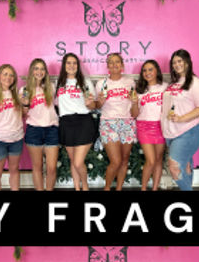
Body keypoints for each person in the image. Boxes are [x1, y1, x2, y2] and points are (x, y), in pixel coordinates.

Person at [163, 49, 199, 191]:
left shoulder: (197, 83)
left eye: (180, 61)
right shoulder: (174, 84)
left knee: (174, 167)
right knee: (186, 166)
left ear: (187, 62)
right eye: (174, 62)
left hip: (188, 131)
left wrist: (181, 118)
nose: (177, 64)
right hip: (171, 132)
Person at [54, 53, 98, 191]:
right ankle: (77, 188)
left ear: (78, 66)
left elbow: (93, 106)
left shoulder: (85, 82)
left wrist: (90, 103)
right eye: (68, 63)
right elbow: (54, 104)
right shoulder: (58, 83)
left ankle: (85, 186)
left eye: (74, 63)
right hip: (66, 123)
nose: (71, 66)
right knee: (73, 161)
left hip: (83, 122)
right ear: (64, 65)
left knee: (78, 162)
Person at [96, 53, 138, 191]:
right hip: (108, 122)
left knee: (124, 159)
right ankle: (107, 188)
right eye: (111, 62)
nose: (114, 65)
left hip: (127, 122)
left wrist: (134, 102)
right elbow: (97, 106)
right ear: (107, 66)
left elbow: (133, 107)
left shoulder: (130, 82)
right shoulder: (101, 83)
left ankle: (119, 188)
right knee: (116, 161)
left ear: (122, 65)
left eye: (117, 62)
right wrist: (100, 102)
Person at [21, 58, 59, 191]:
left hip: (52, 129)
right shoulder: (25, 89)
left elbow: (59, 105)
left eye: (42, 69)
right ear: (32, 71)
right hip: (34, 130)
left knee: (51, 168)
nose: (39, 71)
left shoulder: (51, 87)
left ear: (45, 72)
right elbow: (23, 114)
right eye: (36, 68)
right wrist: (25, 104)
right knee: (37, 167)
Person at [133, 59, 168, 191]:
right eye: (144, 70)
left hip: (160, 126)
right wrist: (134, 103)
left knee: (158, 160)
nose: (147, 73)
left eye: (150, 69)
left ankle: (154, 188)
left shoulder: (165, 87)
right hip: (144, 126)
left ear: (157, 71)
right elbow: (134, 114)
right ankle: (143, 188)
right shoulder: (139, 90)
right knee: (151, 160)